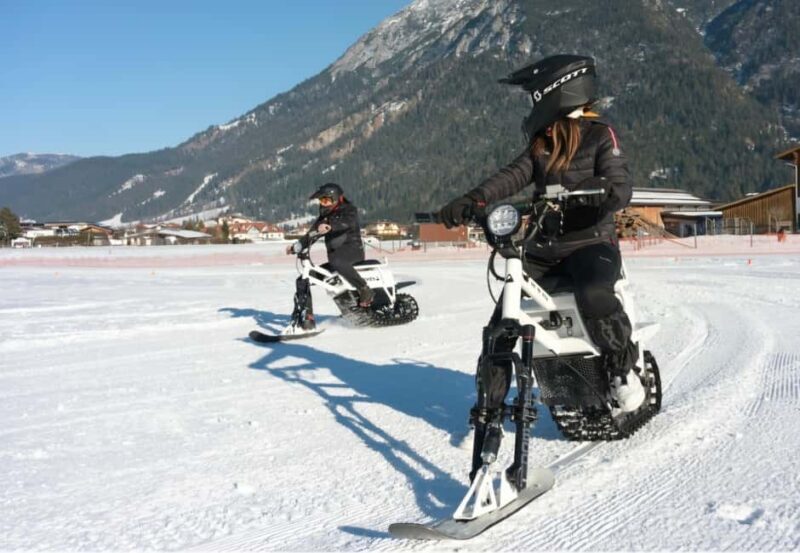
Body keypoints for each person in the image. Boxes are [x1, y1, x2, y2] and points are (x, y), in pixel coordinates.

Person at [437, 54, 645, 412]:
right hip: (545, 248)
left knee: (593, 292)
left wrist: (607, 190)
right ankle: (492, 400)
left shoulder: (600, 135)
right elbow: (511, 176)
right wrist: (473, 199)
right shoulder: (541, 146)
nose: (533, 106)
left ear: (555, 93)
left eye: (535, 96)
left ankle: (621, 369)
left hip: (591, 242)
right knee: (504, 316)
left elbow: (620, 182)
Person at [286, 183, 374, 330]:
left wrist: (330, 225)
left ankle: (365, 289)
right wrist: (297, 246)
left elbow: (346, 222)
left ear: (336, 199)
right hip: (336, 257)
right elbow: (312, 233)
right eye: (321, 201)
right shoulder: (325, 215)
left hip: (352, 252)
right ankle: (306, 318)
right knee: (305, 278)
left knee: (337, 261)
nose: (323, 204)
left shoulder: (349, 210)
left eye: (326, 200)